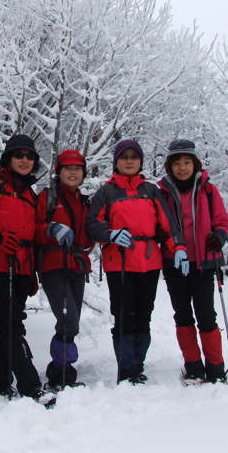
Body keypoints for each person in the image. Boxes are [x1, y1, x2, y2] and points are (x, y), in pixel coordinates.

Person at [86, 139, 188, 384]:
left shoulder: (151, 191)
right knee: (123, 316)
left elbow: (168, 224)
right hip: (118, 262)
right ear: (116, 162)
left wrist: (179, 248)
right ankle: (126, 368)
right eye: (124, 156)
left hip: (149, 261)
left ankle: (137, 364)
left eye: (134, 156)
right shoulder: (106, 192)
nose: (129, 160)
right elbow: (91, 225)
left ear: (141, 161)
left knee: (144, 315)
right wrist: (109, 233)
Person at [0, 134, 56, 407]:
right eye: (18, 155)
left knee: (7, 323)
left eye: (29, 156)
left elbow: (32, 233)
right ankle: (31, 385)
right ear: (8, 158)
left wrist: (49, 232)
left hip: (22, 267)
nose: (24, 160)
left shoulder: (30, 195)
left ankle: (0, 380)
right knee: (12, 322)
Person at [157, 139, 228, 384]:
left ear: (195, 164)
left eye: (187, 162)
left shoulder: (209, 190)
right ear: (170, 166)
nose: (182, 167)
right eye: (177, 163)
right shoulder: (163, 191)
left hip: (203, 263)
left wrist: (219, 236)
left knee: (206, 315)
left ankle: (216, 367)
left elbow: (221, 220)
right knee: (183, 315)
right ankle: (194, 366)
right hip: (174, 263)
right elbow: (160, 225)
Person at [34, 149, 94, 390]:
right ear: (58, 172)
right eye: (67, 168)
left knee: (71, 321)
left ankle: (58, 366)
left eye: (77, 168)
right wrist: (51, 230)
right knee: (69, 320)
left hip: (77, 266)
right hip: (53, 265)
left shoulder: (85, 201)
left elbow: (89, 238)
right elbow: (34, 229)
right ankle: (61, 373)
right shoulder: (47, 198)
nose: (72, 172)